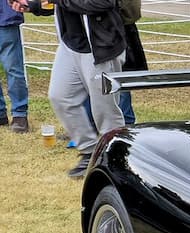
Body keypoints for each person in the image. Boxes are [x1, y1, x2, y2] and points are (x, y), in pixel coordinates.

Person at [11, 0, 125, 177]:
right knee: (60, 96)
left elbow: (102, 3)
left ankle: (115, 158)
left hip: (100, 45)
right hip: (70, 45)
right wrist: (32, 5)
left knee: (105, 109)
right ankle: (89, 150)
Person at [0, 0, 27, 132]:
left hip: (6, 19)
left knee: (13, 69)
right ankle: (1, 114)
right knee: (13, 69)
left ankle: (19, 115)